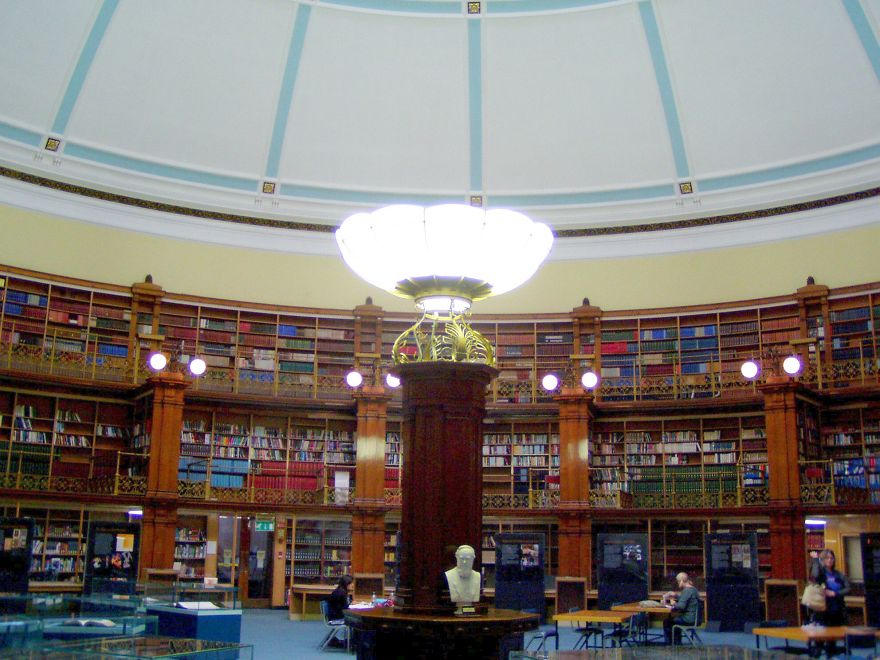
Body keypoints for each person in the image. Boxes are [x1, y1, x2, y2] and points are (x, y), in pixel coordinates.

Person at [663, 572, 699, 645]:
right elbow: (686, 600)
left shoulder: (686, 591)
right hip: (694, 618)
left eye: (678, 581)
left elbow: (680, 606)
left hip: (688, 619)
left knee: (667, 622)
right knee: (673, 620)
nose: (678, 583)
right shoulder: (693, 589)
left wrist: (674, 604)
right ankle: (677, 642)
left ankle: (670, 644)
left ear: (682, 581)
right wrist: (676, 595)